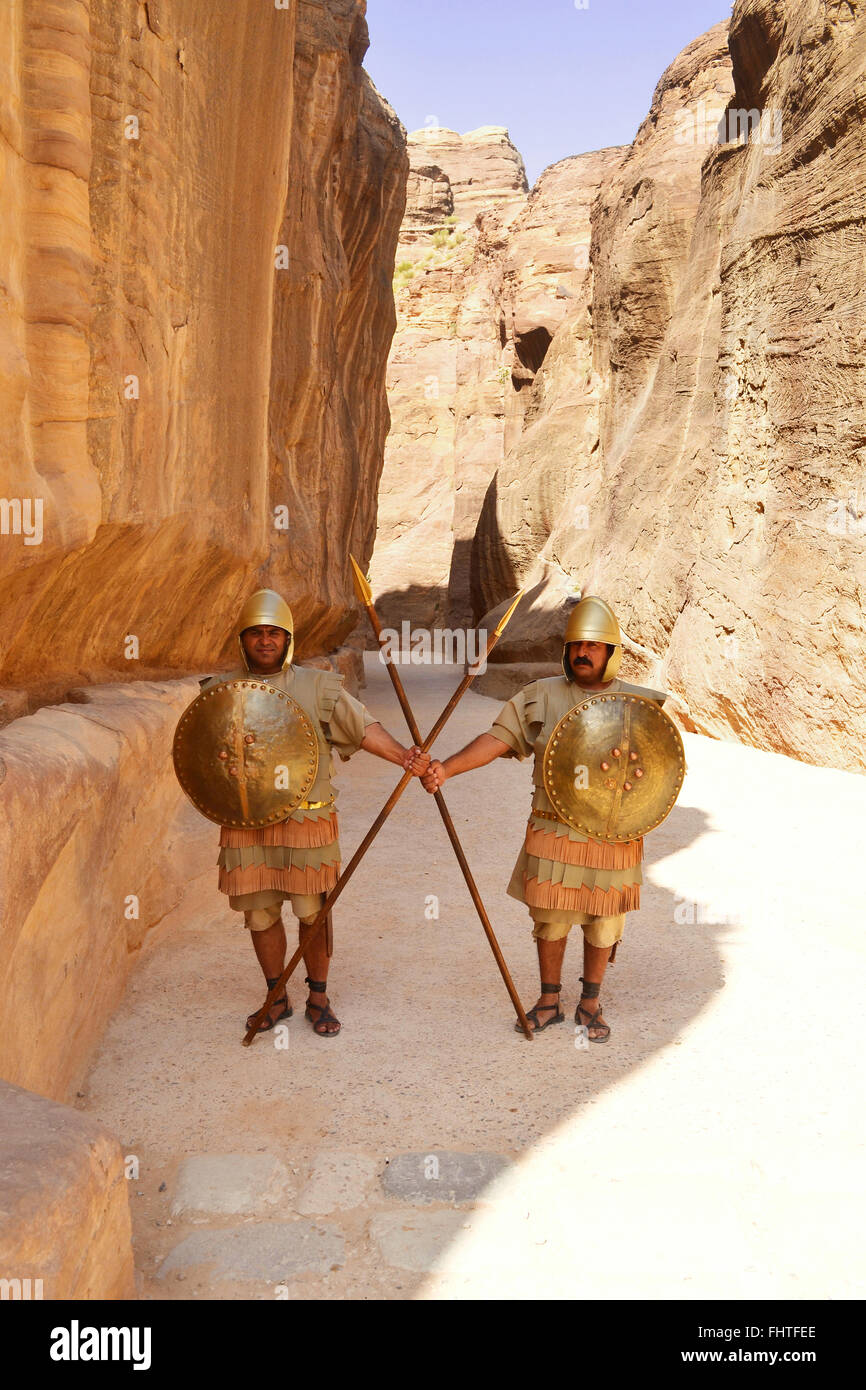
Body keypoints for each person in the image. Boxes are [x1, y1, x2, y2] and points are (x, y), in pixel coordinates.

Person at [421, 596, 666, 1042]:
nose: (582, 653)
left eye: (593, 645)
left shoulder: (638, 704)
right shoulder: (541, 696)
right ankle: (549, 1001)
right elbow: (498, 739)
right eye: (575, 644)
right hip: (554, 827)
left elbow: (658, 771)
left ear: (611, 652)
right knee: (551, 918)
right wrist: (447, 768)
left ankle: (590, 1004)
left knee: (604, 919)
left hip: (613, 832)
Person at [200, 589, 429, 1036]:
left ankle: (319, 997)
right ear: (242, 640)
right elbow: (208, 758)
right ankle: (276, 995)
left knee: (313, 912)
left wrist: (405, 757)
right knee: (260, 914)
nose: (265, 641)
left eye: (274, 633)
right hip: (247, 822)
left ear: (288, 638)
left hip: (307, 820)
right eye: (256, 634)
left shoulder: (317, 685)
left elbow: (361, 727)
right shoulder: (218, 691)